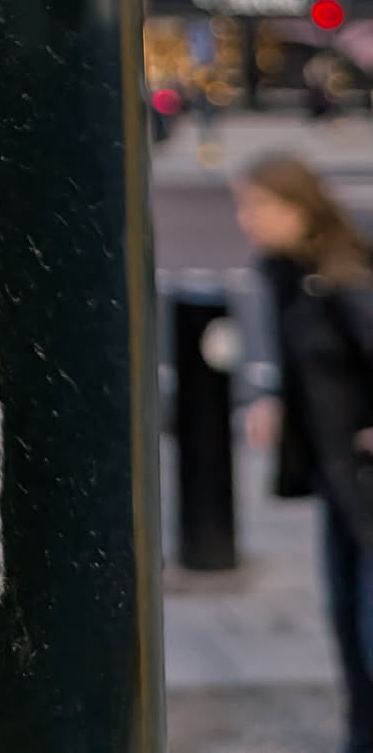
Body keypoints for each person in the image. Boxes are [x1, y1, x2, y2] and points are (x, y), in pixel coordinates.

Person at [234, 156, 373, 753]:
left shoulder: (347, 281)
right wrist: (271, 397)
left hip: (366, 482)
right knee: (347, 632)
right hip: (339, 483)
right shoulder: (288, 274)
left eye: (257, 207)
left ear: (298, 209)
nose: (246, 221)